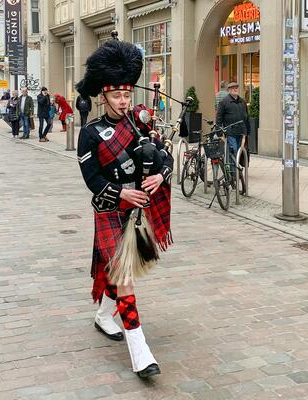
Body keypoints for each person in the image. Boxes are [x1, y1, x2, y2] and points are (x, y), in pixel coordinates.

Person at [76, 38, 174, 379]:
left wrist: (161, 176)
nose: (123, 101)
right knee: (125, 276)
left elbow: (167, 158)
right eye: (117, 96)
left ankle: (104, 315)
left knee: (117, 272)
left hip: (137, 210)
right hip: (109, 209)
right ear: (103, 97)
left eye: (127, 95)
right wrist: (120, 194)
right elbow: (91, 179)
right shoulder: (89, 133)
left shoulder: (140, 125)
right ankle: (140, 352)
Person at [216, 81, 250, 174]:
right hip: (230, 131)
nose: (235, 90)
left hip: (242, 131)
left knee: (240, 151)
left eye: (236, 88)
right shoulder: (224, 102)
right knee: (234, 150)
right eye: (233, 88)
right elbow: (219, 117)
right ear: (229, 90)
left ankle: (236, 168)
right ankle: (234, 172)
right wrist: (219, 132)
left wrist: (247, 131)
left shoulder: (242, 101)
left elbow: (246, 116)